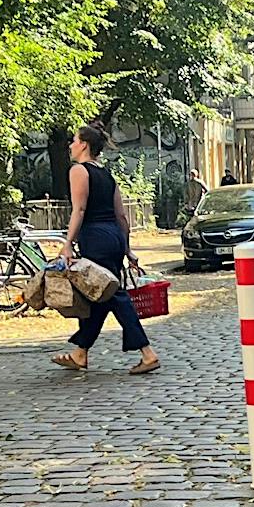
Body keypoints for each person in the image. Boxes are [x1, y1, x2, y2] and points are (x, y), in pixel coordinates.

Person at [51, 122, 160, 377]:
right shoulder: (107, 174)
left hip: (95, 238)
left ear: (84, 145)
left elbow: (79, 210)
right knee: (95, 294)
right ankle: (80, 353)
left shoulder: (79, 171)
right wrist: (126, 247)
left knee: (112, 294)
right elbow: (121, 215)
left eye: (74, 140)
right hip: (112, 236)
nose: (70, 145)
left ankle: (147, 352)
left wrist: (67, 244)